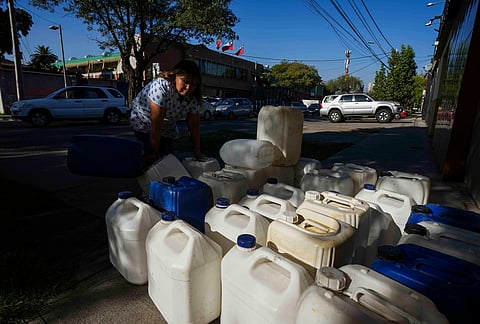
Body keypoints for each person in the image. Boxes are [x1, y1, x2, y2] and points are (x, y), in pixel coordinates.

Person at [129, 59, 203, 166]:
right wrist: (154, 151)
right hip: (143, 119)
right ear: (175, 77)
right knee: (150, 157)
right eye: (185, 82)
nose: (188, 88)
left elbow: (194, 125)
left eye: (193, 84)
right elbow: (156, 122)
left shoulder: (193, 97)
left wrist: (197, 150)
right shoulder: (161, 86)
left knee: (168, 160)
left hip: (167, 126)